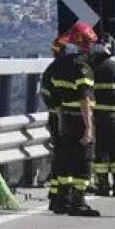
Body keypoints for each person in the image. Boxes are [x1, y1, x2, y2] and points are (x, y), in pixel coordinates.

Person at [45, 23, 100, 216]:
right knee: (83, 160)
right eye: (91, 43)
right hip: (79, 118)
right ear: (85, 43)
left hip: (64, 118)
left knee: (65, 159)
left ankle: (63, 201)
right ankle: (78, 203)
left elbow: (55, 97)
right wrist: (88, 128)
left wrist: (59, 120)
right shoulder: (82, 67)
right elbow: (85, 99)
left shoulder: (59, 65)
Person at [90, 34, 115, 197]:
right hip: (113, 116)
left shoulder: (89, 68)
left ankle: (103, 186)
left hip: (96, 116)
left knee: (100, 150)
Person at [40, 35, 68, 207]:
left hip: (55, 116)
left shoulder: (51, 69)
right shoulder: (72, 68)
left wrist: (54, 108)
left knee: (59, 154)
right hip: (68, 118)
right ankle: (64, 193)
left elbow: (46, 92)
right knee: (69, 154)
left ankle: (56, 192)